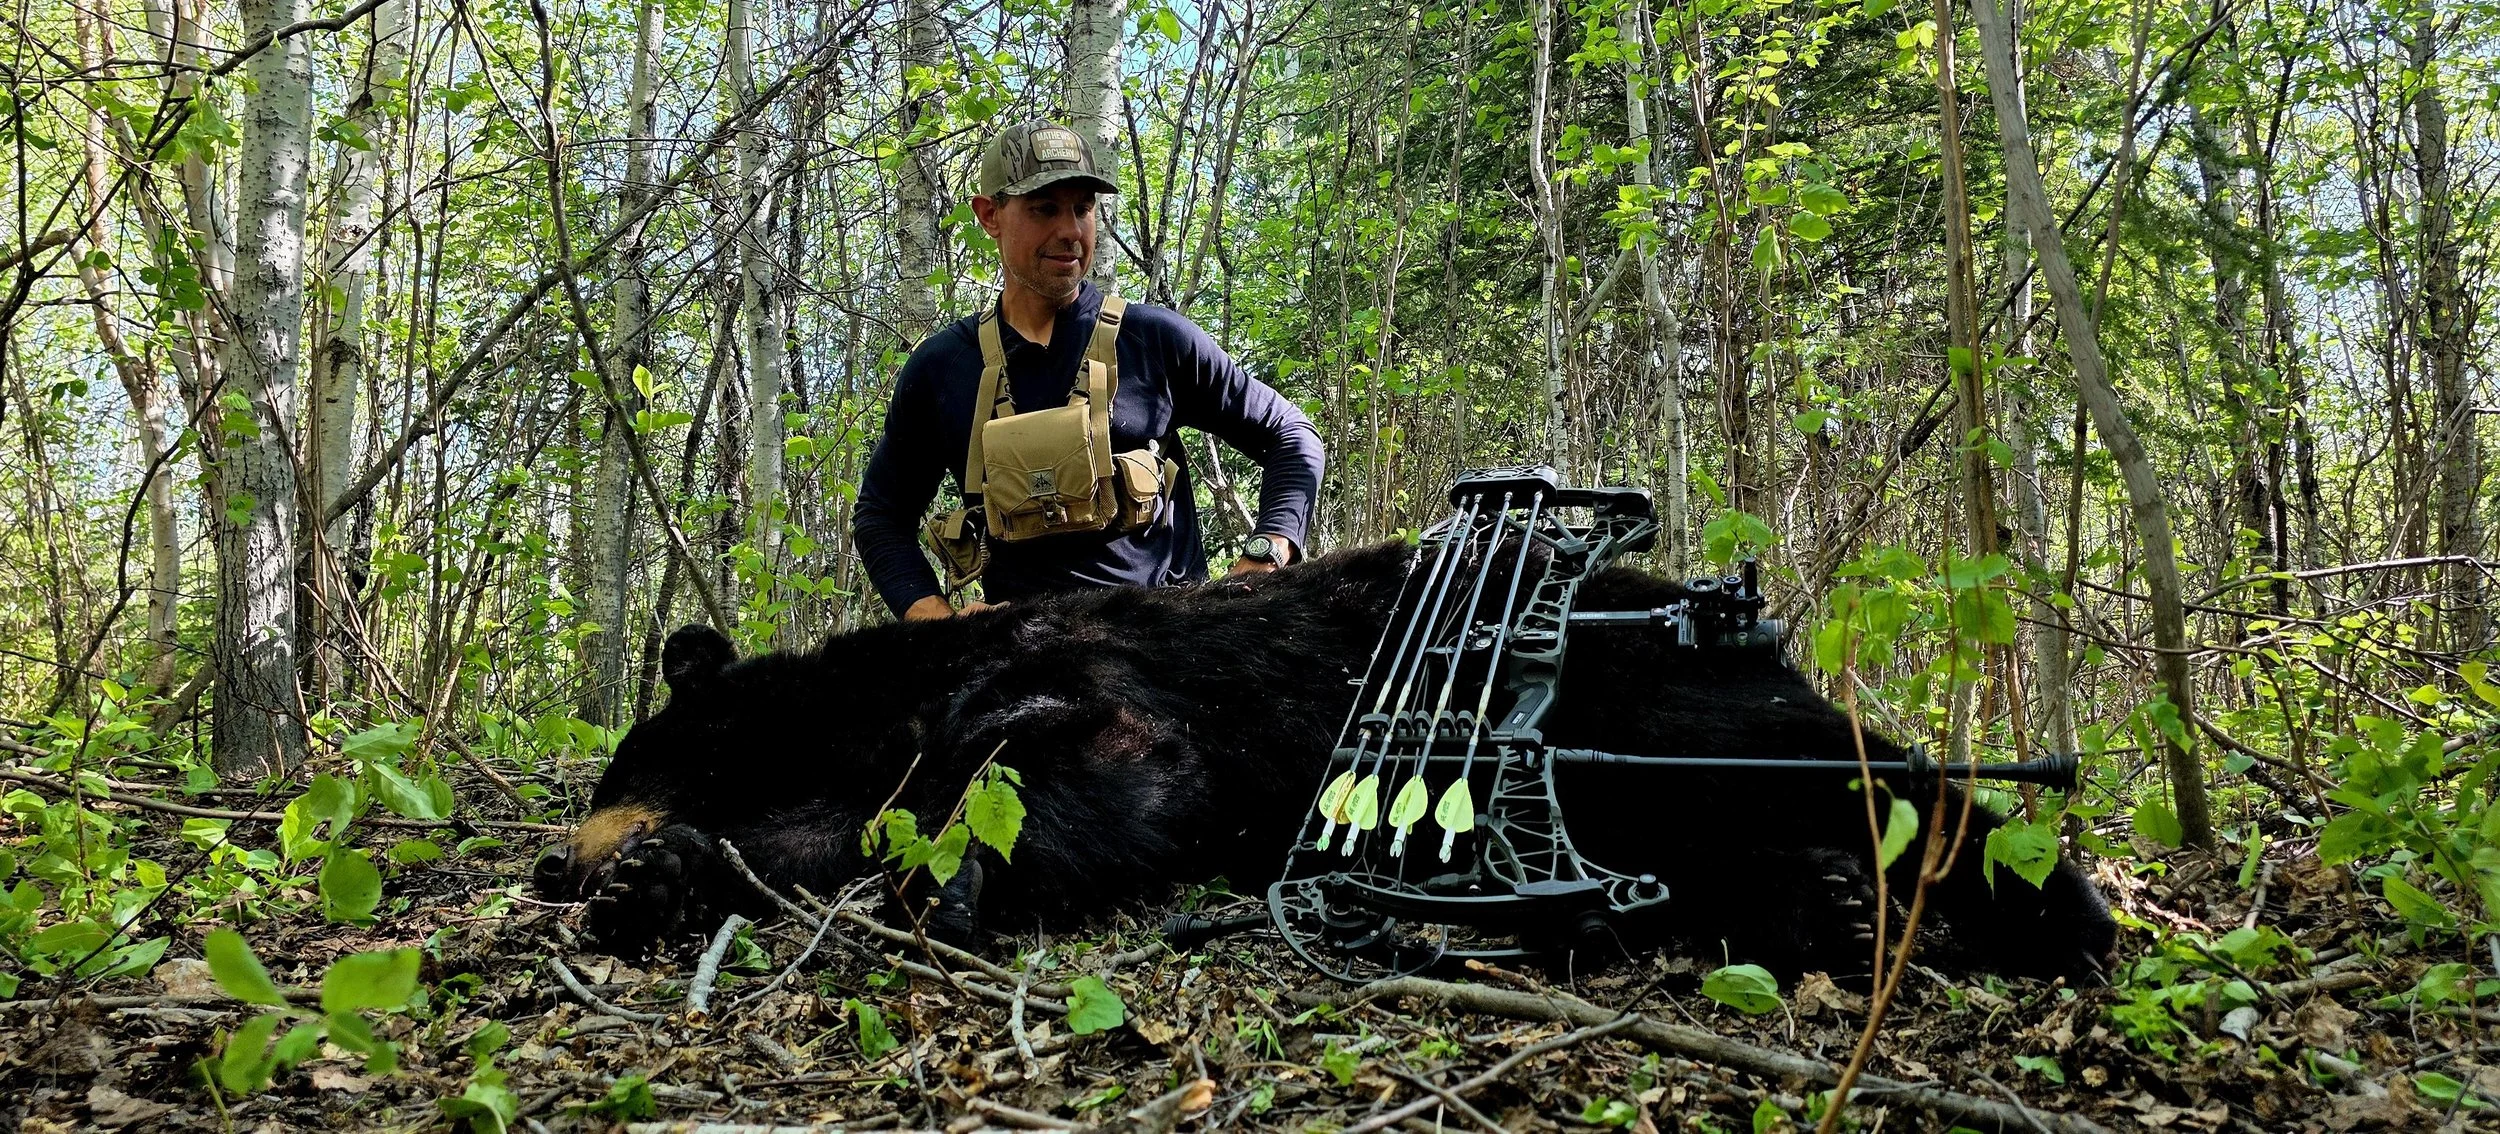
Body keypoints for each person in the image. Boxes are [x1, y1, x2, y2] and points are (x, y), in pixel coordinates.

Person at [853, 120, 1324, 622]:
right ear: (989, 215)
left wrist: (1268, 552)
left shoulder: (1154, 341)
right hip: (1023, 663)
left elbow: (1291, 435)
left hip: (1167, 653)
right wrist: (937, 620)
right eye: (1044, 209)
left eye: (1083, 208)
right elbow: (881, 517)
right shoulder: (944, 368)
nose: (1070, 231)